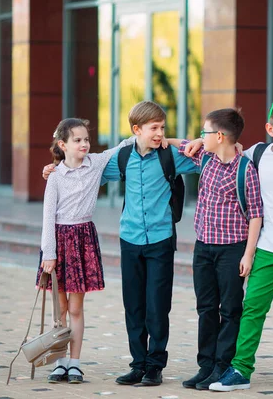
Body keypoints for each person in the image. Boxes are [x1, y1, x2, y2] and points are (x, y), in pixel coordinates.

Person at [198, 98, 273, 392]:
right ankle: (241, 368)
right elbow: (221, 142)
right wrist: (194, 141)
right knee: (253, 307)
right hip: (267, 245)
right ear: (270, 128)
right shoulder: (257, 154)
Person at [102, 101, 199, 386]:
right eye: (154, 128)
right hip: (130, 240)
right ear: (136, 130)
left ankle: (155, 365)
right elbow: (87, 170)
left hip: (160, 240)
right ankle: (138, 364)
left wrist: (177, 141)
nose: (159, 133)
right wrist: (55, 168)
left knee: (157, 306)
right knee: (133, 305)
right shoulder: (121, 158)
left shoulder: (170, 156)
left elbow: (208, 154)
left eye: (162, 127)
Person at [166, 108, 263, 390]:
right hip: (204, 248)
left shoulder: (246, 169)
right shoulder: (205, 157)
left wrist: (248, 254)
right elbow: (178, 143)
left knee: (230, 309)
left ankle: (223, 366)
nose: (200, 137)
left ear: (219, 136)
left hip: (232, 249)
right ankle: (206, 365)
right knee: (206, 307)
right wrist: (182, 141)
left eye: (204, 133)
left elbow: (256, 214)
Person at [38, 118, 135, 384]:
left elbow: (124, 145)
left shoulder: (96, 163)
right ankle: (59, 362)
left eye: (86, 139)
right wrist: (49, 253)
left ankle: (75, 363)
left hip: (83, 240)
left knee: (76, 308)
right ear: (63, 144)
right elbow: (48, 216)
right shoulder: (55, 176)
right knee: (60, 309)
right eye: (77, 140)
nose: (84, 144)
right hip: (58, 242)